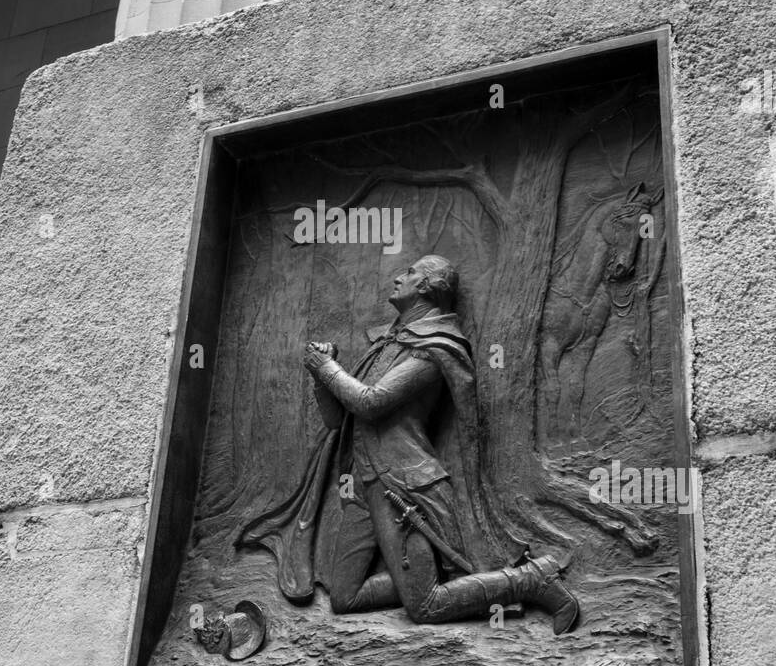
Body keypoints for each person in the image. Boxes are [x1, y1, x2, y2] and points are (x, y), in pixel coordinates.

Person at [237, 255, 579, 634]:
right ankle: (448, 585)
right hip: (367, 483)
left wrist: (325, 368)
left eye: (411, 272)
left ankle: (532, 579)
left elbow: (370, 402)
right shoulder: (389, 343)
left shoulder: (435, 348)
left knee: (425, 607)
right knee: (344, 597)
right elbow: (340, 419)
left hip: (404, 486)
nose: (399, 277)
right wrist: (323, 378)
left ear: (428, 287)